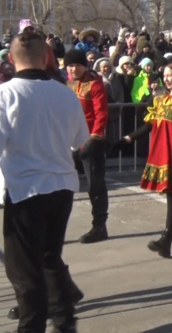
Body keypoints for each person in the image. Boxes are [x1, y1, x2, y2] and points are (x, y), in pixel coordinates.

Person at [0, 32, 88, 333]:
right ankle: (64, 322)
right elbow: (80, 140)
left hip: (26, 191)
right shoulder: (65, 93)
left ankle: (33, 327)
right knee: (49, 259)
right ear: (47, 58)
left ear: (11, 60)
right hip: (61, 187)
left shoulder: (3, 95)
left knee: (25, 272)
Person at [118, 62, 172, 258]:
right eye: (164, 75)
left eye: (170, 75)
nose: (166, 78)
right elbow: (149, 125)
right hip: (162, 151)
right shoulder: (160, 100)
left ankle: (166, 239)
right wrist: (129, 138)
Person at [64, 49, 110, 244]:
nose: (73, 69)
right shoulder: (66, 82)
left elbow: (101, 114)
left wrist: (94, 137)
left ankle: (99, 225)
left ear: (84, 65)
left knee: (95, 184)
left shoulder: (94, 83)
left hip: (90, 140)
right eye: (70, 65)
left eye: (76, 65)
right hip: (68, 140)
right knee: (61, 184)